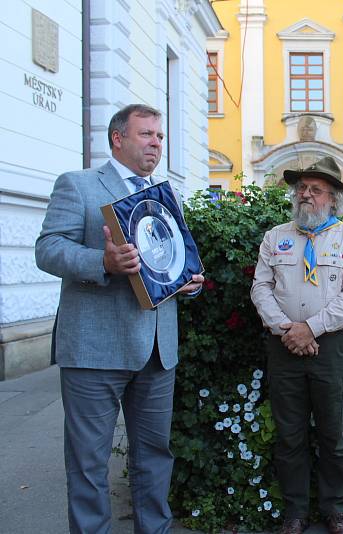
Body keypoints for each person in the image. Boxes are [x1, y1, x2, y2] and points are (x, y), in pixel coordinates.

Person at [35, 104, 204, 533]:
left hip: (157, 350)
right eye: (146, 134)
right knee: (89, 464)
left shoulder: (167, 196)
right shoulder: (79, 185)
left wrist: (190, 282)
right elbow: (48, 249)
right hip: (95, 350)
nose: (156, 143)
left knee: (154, 457)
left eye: (160, 137)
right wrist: (102, 262)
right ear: (118, 138)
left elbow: (173, 262)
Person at [251, 155, 343, 534]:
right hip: (284, 346)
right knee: (290, 434)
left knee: (333, 433)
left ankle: (335, 510)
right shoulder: (275, 237)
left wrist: (312, 329)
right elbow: (261, 288)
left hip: (331, 348)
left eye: (315, 190)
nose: (306, 194)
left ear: (333, 199)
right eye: (301, 188)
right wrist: (289, 329)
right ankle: (296, 512)